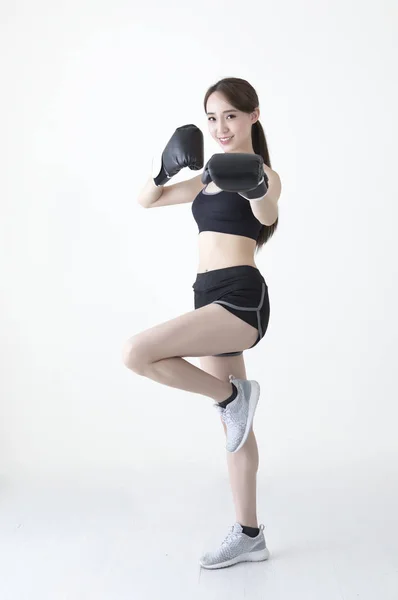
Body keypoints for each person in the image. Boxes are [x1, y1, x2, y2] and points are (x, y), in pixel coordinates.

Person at [123, 77, 281, 569]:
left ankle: (234, 397)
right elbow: (146, 200)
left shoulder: (265, 174)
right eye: (212, 118)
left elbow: (267, 207)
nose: (220, 127)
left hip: (241, 298)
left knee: (137, 352)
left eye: (230, 116)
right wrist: (165, 168)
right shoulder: (209, 177)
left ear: (254, 115)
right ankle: (250, 534)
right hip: (205, 295)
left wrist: (253, 183)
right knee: (235, 431)